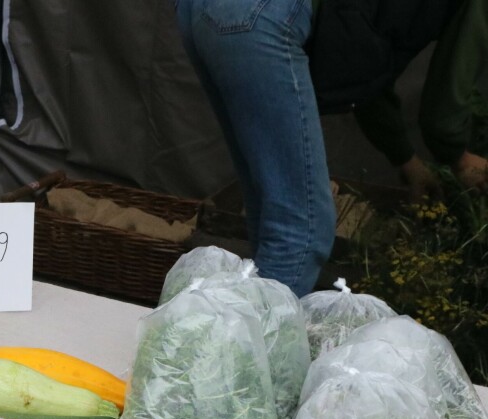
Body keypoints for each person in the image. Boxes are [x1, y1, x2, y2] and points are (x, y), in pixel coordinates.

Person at [173, 0, 488, 297]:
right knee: (303, 232)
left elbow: (366, 58)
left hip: (202, 9)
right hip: (261, 14)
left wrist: (407, 161)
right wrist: (458, 156)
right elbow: (447, 99)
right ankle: (242, 349)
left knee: (270, 210)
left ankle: (226, 336)